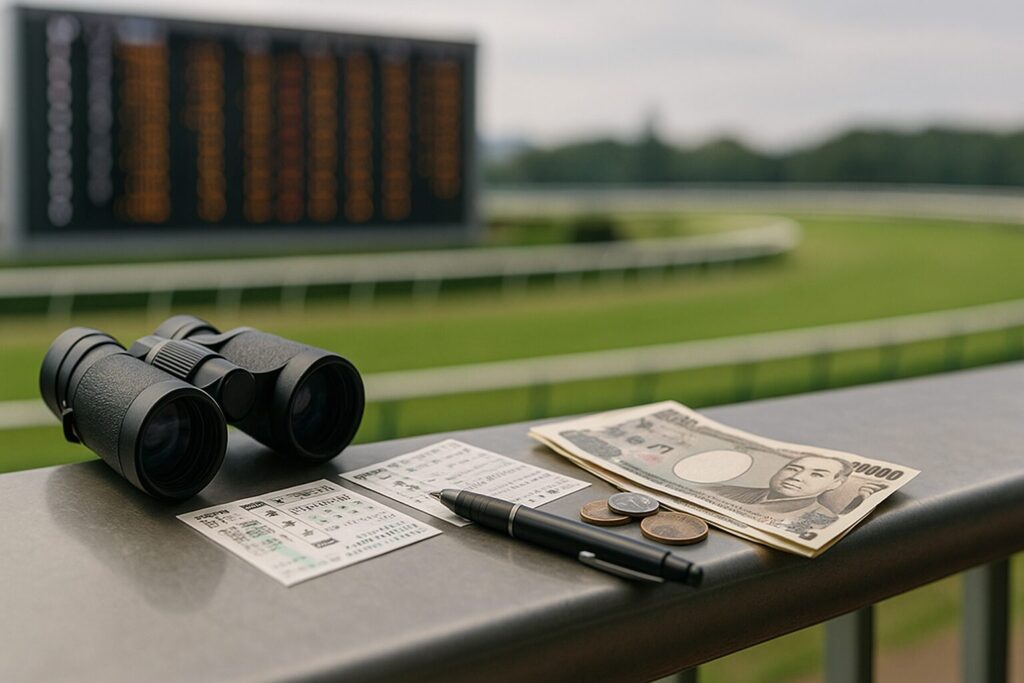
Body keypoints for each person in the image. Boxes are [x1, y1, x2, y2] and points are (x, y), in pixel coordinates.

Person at [708, 455, 852, 520]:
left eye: (817, 475)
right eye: (793, 469)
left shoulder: (822, 520)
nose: (796, 477)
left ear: (835, 484)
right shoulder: (721, 491)